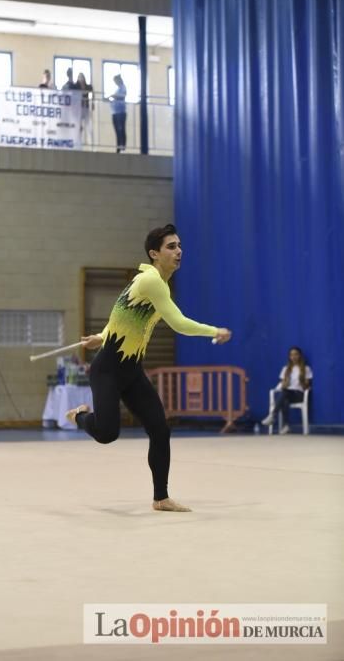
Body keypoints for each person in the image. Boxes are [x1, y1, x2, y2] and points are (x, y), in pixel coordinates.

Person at [66, 224, 232, 512]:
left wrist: (101, 335)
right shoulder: (151, 281)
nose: (179, 251)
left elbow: (121, 316)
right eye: (171, 246)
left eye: (180, 245)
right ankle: (80, 416)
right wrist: (214, 330)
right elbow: (179, 324)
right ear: (154, 253)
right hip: (107, 369)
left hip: (131, 370)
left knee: (159, 429)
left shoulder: (157, 284)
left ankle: (161, 497)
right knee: (107, 433)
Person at [262, 346, 312, 434]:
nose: (294, 357)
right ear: (289, 357)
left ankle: (273, 415)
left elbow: (306, 386)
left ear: (300, 356)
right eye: (291, 355)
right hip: (287, 393)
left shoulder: (306, 368)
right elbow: (282, 384)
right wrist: (285, 384)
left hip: (298, 394)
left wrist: (302, 382)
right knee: (285, 398)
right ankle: (286, 426)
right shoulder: (285, 369)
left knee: (285, 393)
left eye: (296, 354)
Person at [109, 74, 127, 153]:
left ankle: (122, 146)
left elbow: (122, 96)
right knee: (117, 130)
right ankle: (118, 146)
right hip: (115, 112)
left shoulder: (123, 87)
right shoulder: (117, 89)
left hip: (121, 112)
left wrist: (113, 96)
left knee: (121, 129)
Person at [76, 72, 94, 146]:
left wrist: (92, 102)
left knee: (89, 126)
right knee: (79, 127)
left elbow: (92, 92)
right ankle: (79, 143)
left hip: (86, 108)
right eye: (80, 78)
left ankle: (91, 144)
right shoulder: (76, 87)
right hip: (79, 109)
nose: (81, 79)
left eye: (82, 78)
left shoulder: (88, 86)